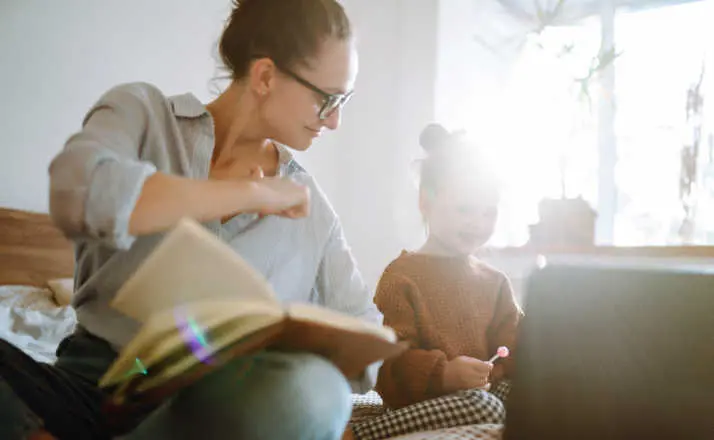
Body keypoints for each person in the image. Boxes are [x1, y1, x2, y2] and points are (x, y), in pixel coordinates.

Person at [0, 0, 382, 439]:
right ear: (264, 76)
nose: (335, 121)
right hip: (89, 385)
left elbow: (365, 333)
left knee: (313, 393)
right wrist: (247, 192)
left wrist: (281, 348)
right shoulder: (144, 113)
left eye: (344, 100)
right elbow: (78, 192)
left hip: (211, 409)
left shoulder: (314, 209)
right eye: (328, 100)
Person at [347, 124, 524, 439]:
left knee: (525, 397)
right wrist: (445, 374)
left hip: (481, 395)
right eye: (466, 209)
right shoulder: (402, 276)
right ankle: (360, 434)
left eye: (489, 213)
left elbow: (512, 347)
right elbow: (387, 367)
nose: (478, 223)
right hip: (419, 403)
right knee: (487, 408)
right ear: (425, 202)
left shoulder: (495, 282)